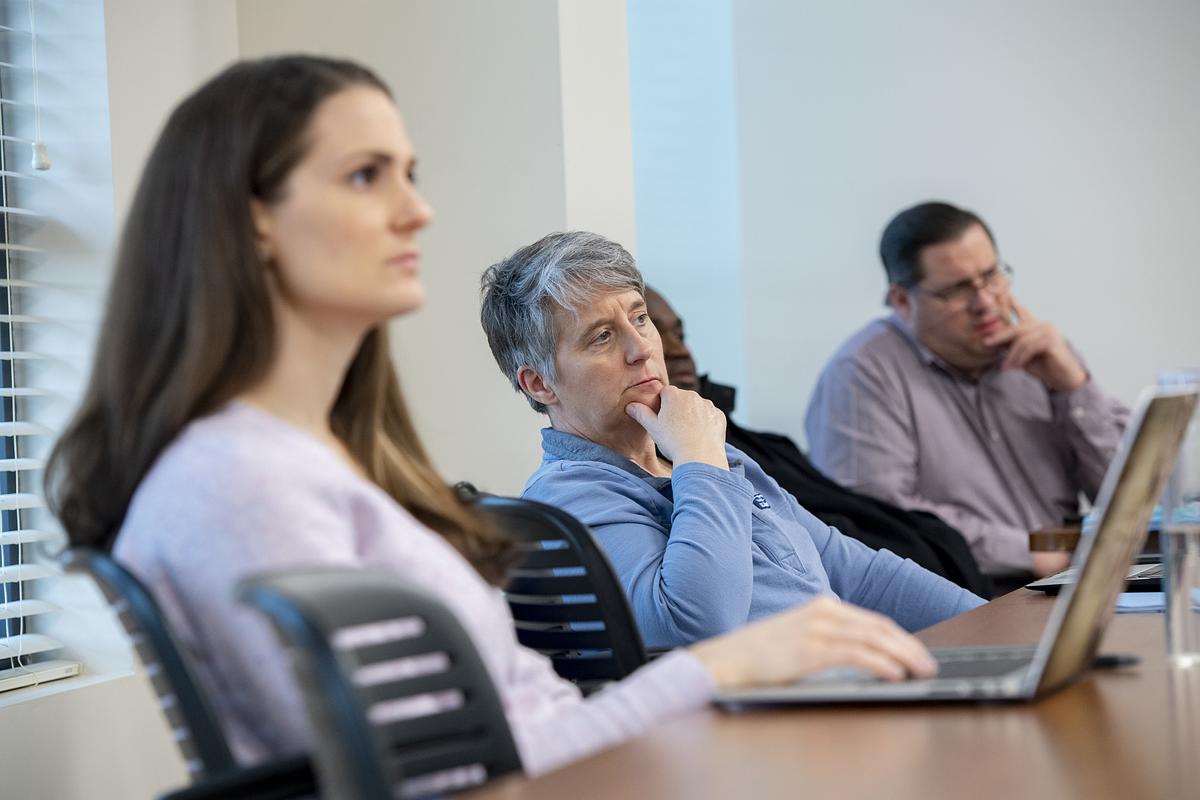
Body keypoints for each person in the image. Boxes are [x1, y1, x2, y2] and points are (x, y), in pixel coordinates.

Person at [44, 56, 943, 781]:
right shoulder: (239, 482)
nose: (418, 210)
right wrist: (726, 665)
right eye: (365, 175)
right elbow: (456, 776)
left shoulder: (312, 459)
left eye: (409, 174)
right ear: (256, 225)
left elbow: (511, 733)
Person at [479, 231, 984, 652]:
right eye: (602, 337)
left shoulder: (706, 458)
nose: (642, 349)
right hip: (759, 725)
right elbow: (695, 627)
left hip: (843, 691)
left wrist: (995, 626)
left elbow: (858, 573)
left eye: (639, 318)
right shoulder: (573, 496)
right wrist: (699, 459)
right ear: (539, 384)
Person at [805, 201, 1129, 580]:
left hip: (1075, 576)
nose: (986, 302)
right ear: (902, 300)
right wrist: (1033, 553)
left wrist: (1074, 388)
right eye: (958, 289)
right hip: (968, 589)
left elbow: (1133, 500)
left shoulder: (1041, 351)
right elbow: (883, 521)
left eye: (991, 276)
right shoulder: (862, 373)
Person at [643, 286, 992, 598]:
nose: (679, 351)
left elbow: (849, 562)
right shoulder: (660, 478)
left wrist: (976, 617)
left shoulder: (752, 450)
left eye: (680, 334)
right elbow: (698, 613)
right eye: (655, 335)